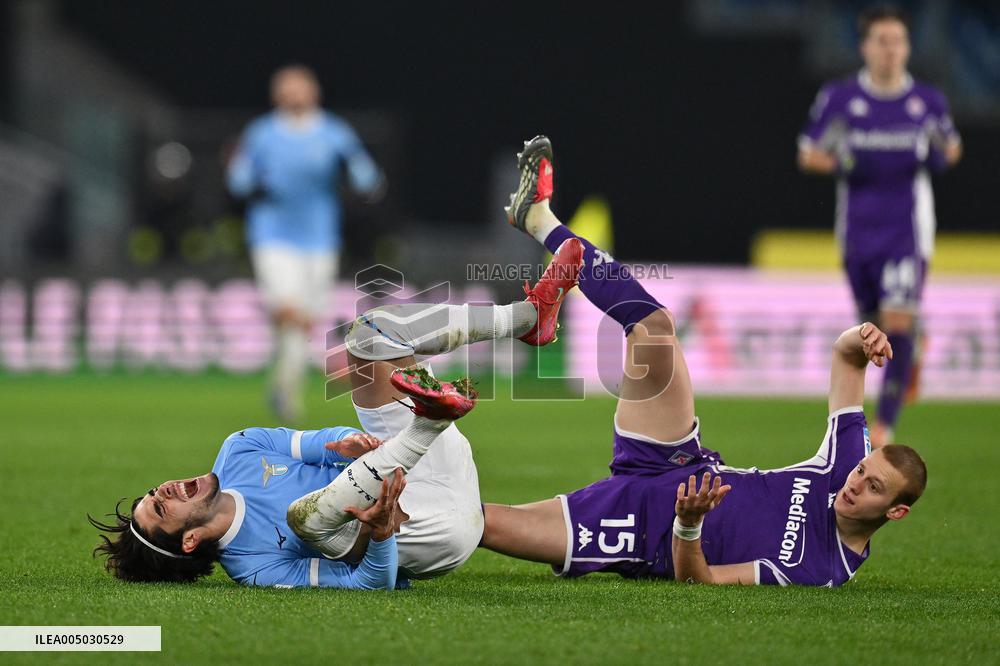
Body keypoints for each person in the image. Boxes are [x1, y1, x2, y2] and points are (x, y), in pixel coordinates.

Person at [483, 136, 925, 586]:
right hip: (678, 461)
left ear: (896, 511)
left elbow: (700, 581)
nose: (854, 483)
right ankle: (539, 219)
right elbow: (846, 360)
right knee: (655, 326)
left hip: (643, 532)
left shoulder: (819, 569)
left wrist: (688, 524)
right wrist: (863, 337)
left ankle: (409, 517)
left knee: (484, 524)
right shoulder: (844, 468)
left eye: (872, 487)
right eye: (863, 472)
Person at [88, 237, 585, 589]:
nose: (165, 489)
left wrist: (347, 443)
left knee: (368, 336)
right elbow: (368, 583)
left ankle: (525, 319)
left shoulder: (238, 449)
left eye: (153, 492)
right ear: (190, 540)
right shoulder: (256, 568)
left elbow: (324, 440)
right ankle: (427, 420)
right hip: (429, 528)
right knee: (303, 520)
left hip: (422, 465)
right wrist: (382, 533)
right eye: (161, 508)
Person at [797, 5, 961, 446]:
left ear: (907, 47)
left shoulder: (925, 102)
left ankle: (885, 427)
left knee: (896, 321)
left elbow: (952, 149)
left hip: (907, 232)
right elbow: (808, 153)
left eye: (898, 41)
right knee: (872, 327)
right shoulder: (840, 98)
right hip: (857, 232)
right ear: (865, 47)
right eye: (882, 41)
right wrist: (843, 162)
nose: (891, 50)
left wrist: (935, 158)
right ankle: (911, 349)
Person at [227, 64, 385, 422]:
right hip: (272, 235)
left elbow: (366, 174)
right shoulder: (262, 133)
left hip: (320, 239)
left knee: (303, 319)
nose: (293, 93)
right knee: (288, 309)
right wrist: (248, 180)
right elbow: (238, 178)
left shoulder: (333, 132)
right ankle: (287, 389)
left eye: (300, 87)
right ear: (275, 93)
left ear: (314, 91)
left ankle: (283, 387)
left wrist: (359, 176)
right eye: (286, 87)